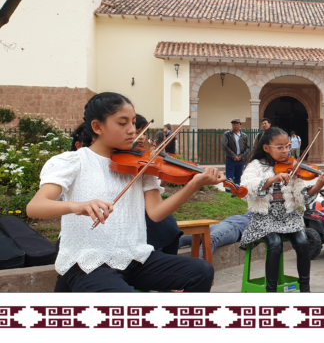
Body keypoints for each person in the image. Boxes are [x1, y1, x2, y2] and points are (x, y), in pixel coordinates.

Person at [27, 92, 221, 292]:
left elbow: (156, 213)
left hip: (134, 258)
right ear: (97, 127)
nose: (132, 130)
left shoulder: (141, 166)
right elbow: (35, 207)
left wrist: (193, 185)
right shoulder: (74, 161)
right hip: (87, 263)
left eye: (134, 122)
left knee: (201, 271)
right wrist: (78, 206)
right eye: (123, 123)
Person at [239, 127, 324, 292]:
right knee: (275, 244)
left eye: (287, 146)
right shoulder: (256, 166)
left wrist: (317, 186)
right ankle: (271, 291)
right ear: (266, 148)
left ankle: (305, 288)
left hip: (289, 217)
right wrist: (272, 179)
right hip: (264, 217)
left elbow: (301, 198)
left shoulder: (293, 166)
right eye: (279, 147)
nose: (285, 151)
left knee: (303, 242)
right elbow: (246, 187)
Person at [135, 114, 183, 256]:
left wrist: (165, 175)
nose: (142, 137)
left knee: (170, 227)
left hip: (149, 206)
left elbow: (156, 187)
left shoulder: (146, 156)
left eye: (144, 133)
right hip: (137, 209)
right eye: (138, 132)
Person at [179, 211, 254, 256]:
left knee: (210, 240)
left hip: (234, 228)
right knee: (183, 238)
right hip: (219, 224)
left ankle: (197, 269)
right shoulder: (249, 213)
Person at [222, 118, 250, 193]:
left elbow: (248, 148)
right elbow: (225, 146)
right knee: (229, 178)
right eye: (233, 124)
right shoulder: (227, 134)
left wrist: (241, 156)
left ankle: (237, 192)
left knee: (238, 176)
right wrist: (233, 155)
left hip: (241, 160)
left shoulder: (244, 136)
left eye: (237, 124)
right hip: (231, 159)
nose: (235, 125)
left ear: (240, 125)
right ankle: (228, 193)